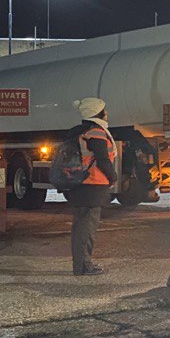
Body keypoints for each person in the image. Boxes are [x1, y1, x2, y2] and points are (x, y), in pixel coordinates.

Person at [65, 97, 118, 276]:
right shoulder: (97, 133)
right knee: (87, 229)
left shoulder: (79, 131)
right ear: (98, 113)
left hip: (80, 184)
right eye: (104, 110)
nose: (107, 113)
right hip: (93, 185)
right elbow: (103, 160)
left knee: (79, 227)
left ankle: (80, 264)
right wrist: (113, 176)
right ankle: (84, 266)